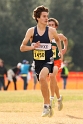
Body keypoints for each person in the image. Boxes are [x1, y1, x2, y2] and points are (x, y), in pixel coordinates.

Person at [20, 5, 63, 117]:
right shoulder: (31, 31)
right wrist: (33, 47)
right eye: (44, 16)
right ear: (38, 18)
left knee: (43, 77)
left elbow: (58, 40)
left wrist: (60, 52)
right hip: (37, 63)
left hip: (48, 61)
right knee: (42, 82)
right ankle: (48, 105)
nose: (46, 18)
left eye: (47, 16)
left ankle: (45, 105)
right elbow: (22, 47)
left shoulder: (51, 31)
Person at [48, 18, 68, 110]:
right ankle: (59, 98)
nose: (51, 26)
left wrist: (64, 49)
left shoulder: (59, 36)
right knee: (53, 80)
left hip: (57, 61)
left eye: (52, 25)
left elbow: (65, 39)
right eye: (49, 25)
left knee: (52, 76)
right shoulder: (45, 37)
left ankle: (51, 98)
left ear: (56, 26)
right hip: (48, 61)